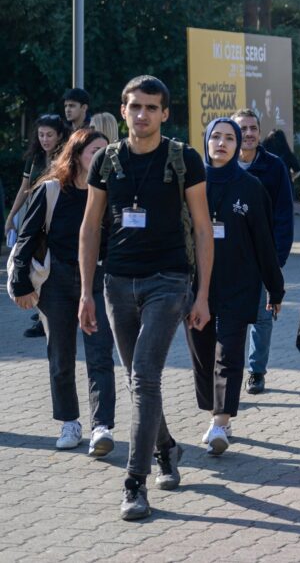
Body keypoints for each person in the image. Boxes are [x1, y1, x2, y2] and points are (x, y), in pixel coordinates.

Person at [80, 75, 214, 521]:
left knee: (144, 375)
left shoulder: (185, 159)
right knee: (139, 380)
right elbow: (90, 226)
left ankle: (135, 483)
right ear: (123, 111)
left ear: (165, 113)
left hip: (168, 280)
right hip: (116, 282)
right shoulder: (106, 162)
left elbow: (201, 227)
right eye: (135, 106)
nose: (142, 115)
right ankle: (167, 447)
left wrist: (203, 295)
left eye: (151, 107)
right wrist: (86, 292)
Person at [10, 129, 116, 455]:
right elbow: (26, 238)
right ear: (77, 153)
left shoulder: (110, 193)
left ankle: (102, 427)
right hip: (56, 283)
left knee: (100, 355)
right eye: (94, 151)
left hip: (97, 283)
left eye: (105, 152)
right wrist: (20, 285)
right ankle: (70, 422)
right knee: (61, 357)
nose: (101, 157)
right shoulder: (51, 190)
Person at [186, 118, 284, 456]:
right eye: (216, 137)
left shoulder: (251, 187)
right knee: (202, 355)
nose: (222, 143)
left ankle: (220, 418)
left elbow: (264, 243)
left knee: (228, 353)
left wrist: (275, 287)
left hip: (239, 284)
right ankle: (216, 414)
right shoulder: (191, 182)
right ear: (206, 141)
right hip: (197, 286)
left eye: (230, 138)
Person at [233, 108, 294, 395]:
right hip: (228, 257)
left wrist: (278, 260)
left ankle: (256, 372)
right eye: (242, 128)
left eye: (252, 128)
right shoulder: (219, 165)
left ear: (259, 132)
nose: (248, 134)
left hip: (263, 256)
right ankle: (228, 371)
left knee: (262, 316)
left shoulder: (274, 166)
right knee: (229, 318)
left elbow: (284, 215)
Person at [6, 114, 69, 339]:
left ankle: (47, 318)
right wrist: (11, 216)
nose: (45, 139)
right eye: (41, 134)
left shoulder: (67, 158)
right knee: (34, 266)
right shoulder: (35, 158)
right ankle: (42, 315)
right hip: (33, 219)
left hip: (55, 221)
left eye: (49, 135)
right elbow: (24, 189)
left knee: (48, 267)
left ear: (60, 135)